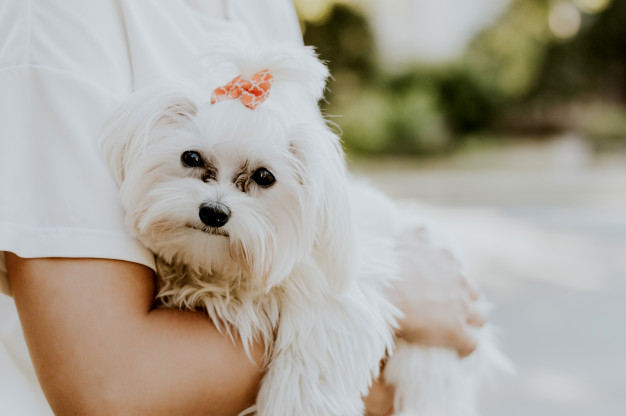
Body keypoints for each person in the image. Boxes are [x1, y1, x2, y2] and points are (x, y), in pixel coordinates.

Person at [0, 1, 485, 415]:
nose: (217, 203)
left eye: (258, 180)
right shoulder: (57, 19)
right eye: (195, 163)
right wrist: (391, 292)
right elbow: (107, 385)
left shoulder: (266, 7)